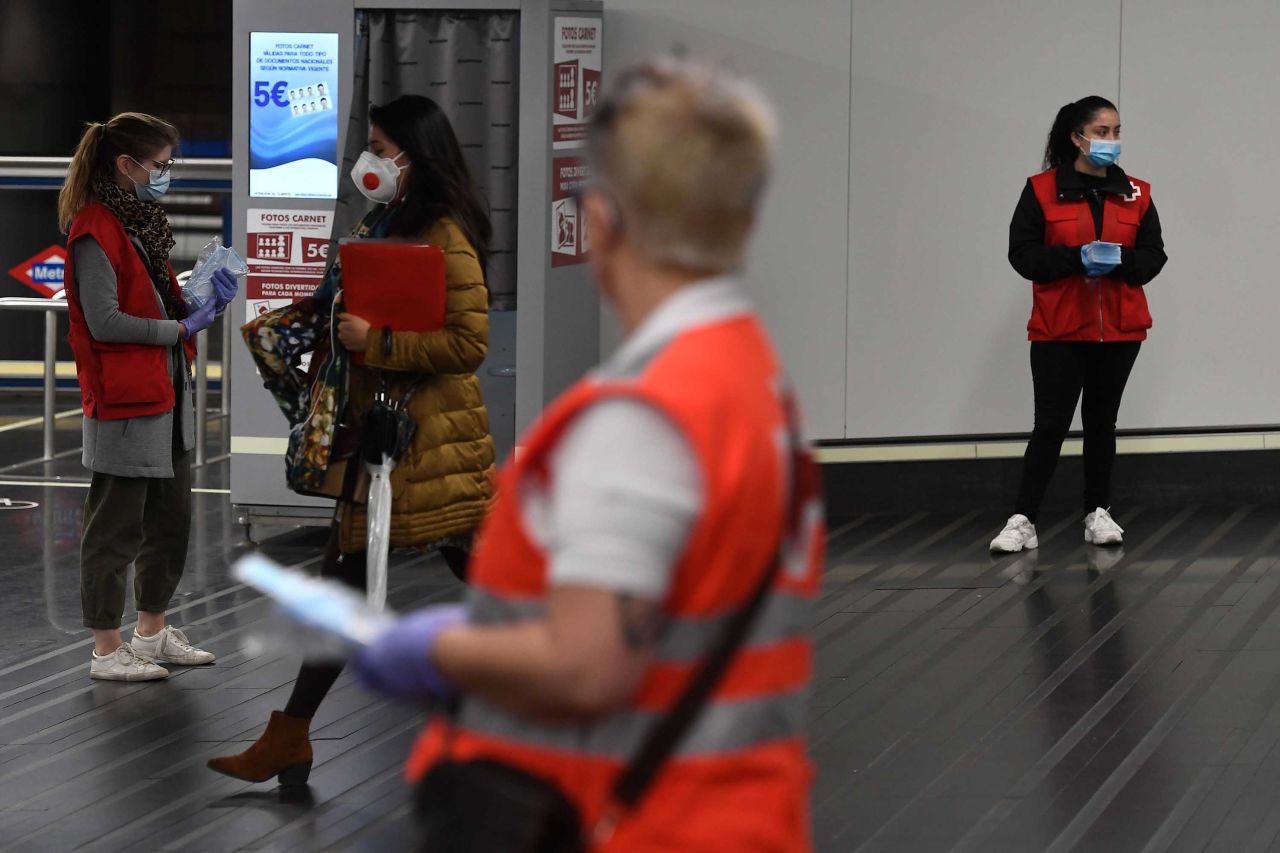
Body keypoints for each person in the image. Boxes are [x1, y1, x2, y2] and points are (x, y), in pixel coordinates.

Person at [356, 59, 825, 851]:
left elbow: (587, 668)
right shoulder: (754, 381)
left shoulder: (639, 416)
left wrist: (432, 647)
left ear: (601, 219)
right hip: (737, 811)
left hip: (632, 821)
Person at [209, 94, 496, 786]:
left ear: (413, 154)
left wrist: (380, 341)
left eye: (379, 145)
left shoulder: (445, 232)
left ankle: (572, 700)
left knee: (468, 580)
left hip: (428, 442)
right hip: (390, 440)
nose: (368, 159)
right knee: (360, 580)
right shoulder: (386, 218)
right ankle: (289, 736)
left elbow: (469, 342)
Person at [58, 113, 238, 681]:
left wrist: (197, 301)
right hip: (126, 402)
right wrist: (181, 329)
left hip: (166, 394)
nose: (166, 174)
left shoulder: (140, 223)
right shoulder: (96, 229)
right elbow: (107, 320)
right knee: (114, 527)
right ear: (126, 165)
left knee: (170, 519)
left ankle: (153, 633)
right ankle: (107, 650)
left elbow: (152, 300)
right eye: (160, 165)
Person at [990, 96, 1167, 554]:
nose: (1111, 141)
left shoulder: (1136, 191)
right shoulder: (1042, 189)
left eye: (1116, 131)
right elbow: (1022, 253)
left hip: (1120, 330)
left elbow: (1153, 256)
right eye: (1102, 132)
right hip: (1059, 329)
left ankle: (1098, 512)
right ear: (1077, 137)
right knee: (1049, 426)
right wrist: (1076, 258)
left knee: (1101, 424)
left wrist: (1122, 261)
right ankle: (1023, 519)